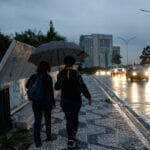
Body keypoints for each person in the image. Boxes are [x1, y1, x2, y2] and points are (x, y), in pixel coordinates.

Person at [55, 55, 91, 149]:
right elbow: (82, 86)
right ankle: (72, 136)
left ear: (65, 63)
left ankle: (71, 138)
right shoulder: (76, 73)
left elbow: (56, 87)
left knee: (68, 119)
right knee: (74, 118)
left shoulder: (61, 73)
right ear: (73, 63)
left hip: (65, 100)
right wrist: (88, 97)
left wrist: (60, 79)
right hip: (76, 100)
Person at [26, 61, 55, 148]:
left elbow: (27, 86)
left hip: (36, 102)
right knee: (47, 120)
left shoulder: (33, 76)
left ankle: (37, 140)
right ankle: (49, 136)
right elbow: (51, 91)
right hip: (46, 102)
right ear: (47, 68)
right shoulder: (48, 77)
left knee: (37, 121)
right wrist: (52, 102)